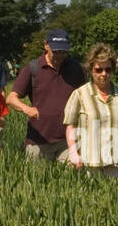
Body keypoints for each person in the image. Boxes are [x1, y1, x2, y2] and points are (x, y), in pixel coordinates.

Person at [6, 28, 86, 161]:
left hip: (68, 140)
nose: (60, 55)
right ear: (46, 45)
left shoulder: (76, 68)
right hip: (39, 141)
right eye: (56, 51)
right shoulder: (33, 68)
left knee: (69, 180)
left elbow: (86, 97)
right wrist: (27, 109)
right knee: (37, 180)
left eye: (63, 51)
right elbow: (11, 98)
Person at [64, 44, 118, 179]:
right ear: (90, 70)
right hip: (89, 165)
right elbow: (70, 125)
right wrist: (73, 153)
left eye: (108, 69)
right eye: (98, 70)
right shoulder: (79, 94)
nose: (104, 74)